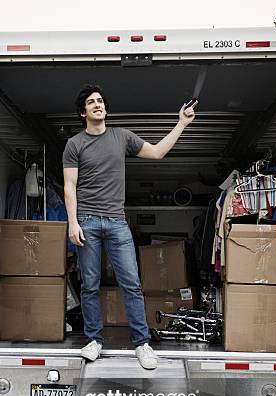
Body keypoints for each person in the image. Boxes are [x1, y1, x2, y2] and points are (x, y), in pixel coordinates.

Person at [63, 84, 195, 369]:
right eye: (91, 102)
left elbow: (158, 152)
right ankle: (94, 340)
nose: (98, 104)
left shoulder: (121, 137)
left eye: (100, 100)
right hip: (87, 220)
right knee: (89, 285)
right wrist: (72, 222)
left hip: (116, 222)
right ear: (83, 112)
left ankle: (142, 344)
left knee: (132, 284)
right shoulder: (74, 144)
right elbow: (69, 186)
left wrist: (181, 123)